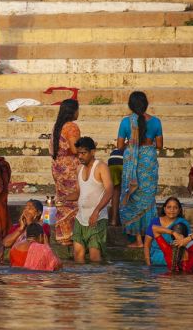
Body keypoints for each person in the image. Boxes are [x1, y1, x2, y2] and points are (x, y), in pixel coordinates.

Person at [118, 91, 163, 248]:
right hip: (149, 160)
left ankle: (137, 240)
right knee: (148, 199)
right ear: (146, 104)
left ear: (130, 105)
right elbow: (159, 145)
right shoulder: (156, 121)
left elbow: (119, 146)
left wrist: (131, 144)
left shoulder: (125, 122)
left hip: (132, 161)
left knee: (133, 196)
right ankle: (149, 239)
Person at [64, 137, 113, 263]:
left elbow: (109, 191)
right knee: (78, 256)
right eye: (79, 153)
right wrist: (63, 199)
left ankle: (96, 282)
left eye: (83, 153)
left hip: (97, 219)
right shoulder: (79, 169)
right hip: (80, 219)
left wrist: (96, 211)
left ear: (92, 152)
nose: (80, 156)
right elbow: (79, 193)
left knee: (94, 257)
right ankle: (82, 282)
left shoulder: (101, 167)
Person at [50, 99, 81, 246]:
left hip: (58, 167)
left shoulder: (57, 126)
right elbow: (75, 149)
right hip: (70, 168)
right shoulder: (71, 127)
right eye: (77, 109)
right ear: (72, 111)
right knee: (74, 199)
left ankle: (63, 236)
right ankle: (72, 235)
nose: (78, 112)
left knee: (62, 199)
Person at [144, 197, 190, 266]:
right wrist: (148, 263)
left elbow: (185, 242)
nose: (172, 210)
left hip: (174, 260)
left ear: (179, 210)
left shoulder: (183, 223)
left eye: (175, 208)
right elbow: (147, 245)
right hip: (155, 260)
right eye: (169, 207)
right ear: (164, 209)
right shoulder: (155, 221)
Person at [107, 149, 123, 226]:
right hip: (125, 160)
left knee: (115, 192)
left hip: (113, 159)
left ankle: (113, 220)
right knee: (129, 191)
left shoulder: (122, 138)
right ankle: (125, 220)